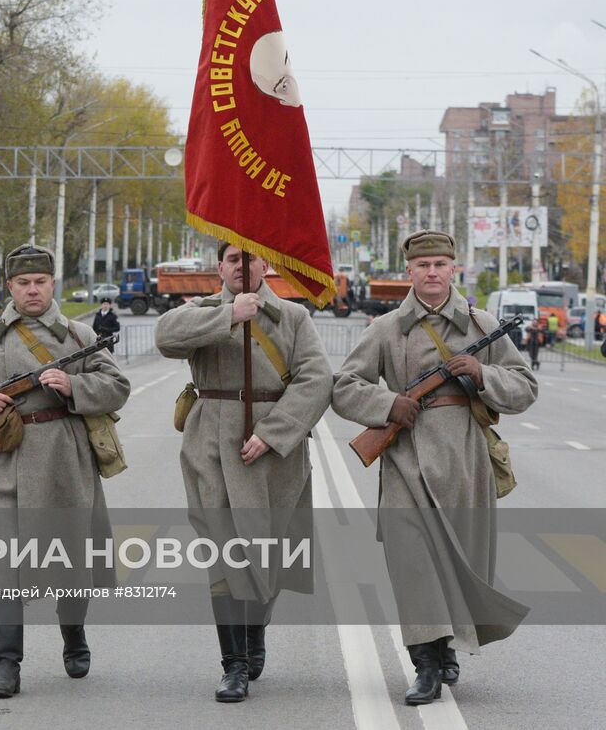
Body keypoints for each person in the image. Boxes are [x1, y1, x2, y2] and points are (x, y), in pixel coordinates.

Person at [332, 230, 537, 707]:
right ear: (409, 271)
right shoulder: (387, 328)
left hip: (464, 460)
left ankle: (447, 649)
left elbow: (525, 386)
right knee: (413, 564)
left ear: (453, 269)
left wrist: (483, 373)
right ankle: (425, 665)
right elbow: (344, 386)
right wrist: (388, 405)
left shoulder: (481, 324)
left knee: (458, 562)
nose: (432, 273)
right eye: (423, 266)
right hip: (406, 461)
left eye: (440, 264)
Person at [0, 244, 131, 700]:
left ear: (52, 283)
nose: (32, 290)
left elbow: (117, 386)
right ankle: (6, 663)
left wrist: (73, 385)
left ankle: (74, 637)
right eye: (23, 283)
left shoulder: (80, 335)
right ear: (9, 287)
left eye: (40, 282)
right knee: (1, 562)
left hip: (66, 460)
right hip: (6, 460)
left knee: (70, 557)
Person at [155, 242, 332, 702]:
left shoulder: (293, 318)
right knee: (223, 552)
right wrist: (229, 315)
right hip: (211, 444)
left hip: (274, 451)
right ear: (219, 267)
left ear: (266, 264)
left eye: (250, 257)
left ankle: (255, 630)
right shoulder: (203, 310)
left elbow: (316, 380)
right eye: (233, 258)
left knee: (268, 551)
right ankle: (233, 664)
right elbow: (166, 336)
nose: (242, 265)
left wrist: (274, 433)